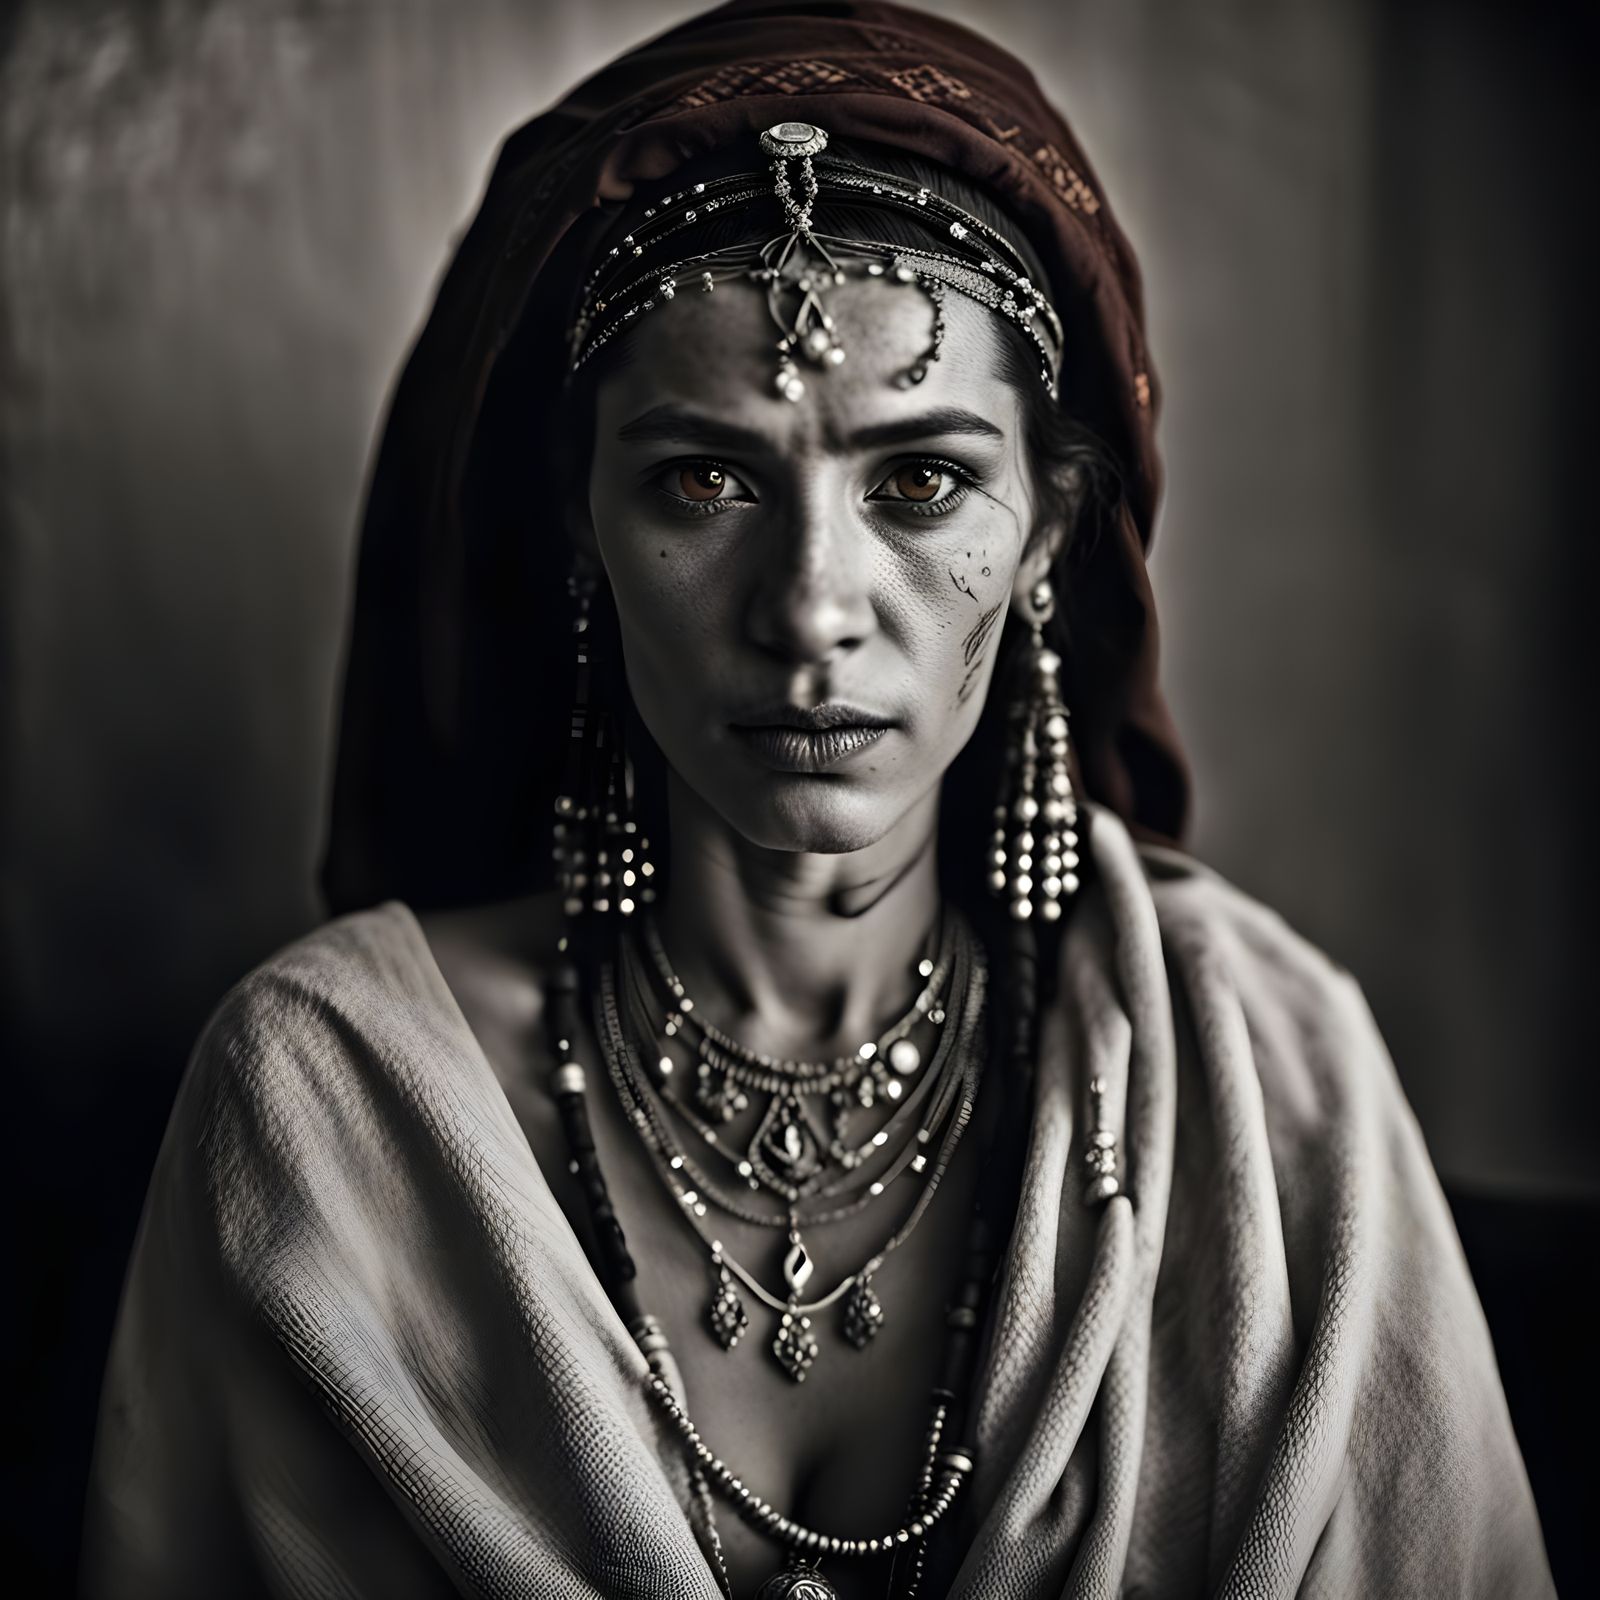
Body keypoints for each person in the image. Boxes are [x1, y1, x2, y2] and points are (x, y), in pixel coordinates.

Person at [80, 3, 1555, 1596]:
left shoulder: (1269, 1087)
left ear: (1052, 530)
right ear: (581, 527)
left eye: (922, 482)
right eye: (703, 481)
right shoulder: (334, 1107)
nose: (812, 607)